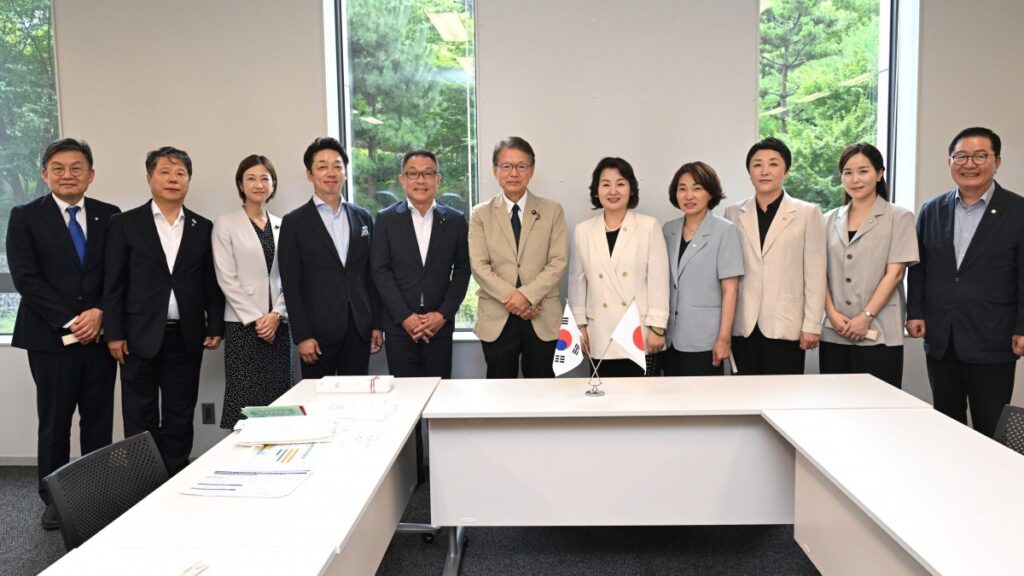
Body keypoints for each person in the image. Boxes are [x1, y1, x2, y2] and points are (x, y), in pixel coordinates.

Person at [6, 138, 120, 529]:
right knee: (54, 421)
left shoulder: (111, 215)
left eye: (76, 168)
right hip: (50, 338)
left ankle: (95, 492)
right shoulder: (25, 216)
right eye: (58, 167)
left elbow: (117, 273)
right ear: (44, 174)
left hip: (101, 336)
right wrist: (73, 320)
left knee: (98, 419)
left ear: (90, 174)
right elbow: (26, 279)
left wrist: (100, 313)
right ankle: (54, 499)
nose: (67, 174)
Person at [104, 146, 224, 475]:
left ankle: (173, 476)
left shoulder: (203, 226)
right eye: (165, 172)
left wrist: (215, 325)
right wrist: (113, 333)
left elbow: (210, 283)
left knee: (180, 413)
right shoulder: (124, 223)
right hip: (137, 337)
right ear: (149, 178)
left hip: (185, 337)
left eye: (180, 173)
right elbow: (113, 284)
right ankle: (143, 482)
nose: (173, 179)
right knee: (139, 415)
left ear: (188, 180)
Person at [907, 127, 1024, 437]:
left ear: (997, 161)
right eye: (960, 156)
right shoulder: (933, 210)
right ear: (950, 162)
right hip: (942, 337)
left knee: (990, 426)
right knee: (946, 424)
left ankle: (991, 485)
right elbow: (919, 268)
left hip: (994, 337)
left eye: (979, 156)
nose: (969, 164)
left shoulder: (1018, 211)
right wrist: (915, 312)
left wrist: (1022, 327)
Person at [278, 137, 382, 379]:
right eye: (322, 166)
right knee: (318, 405)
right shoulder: (294, 223)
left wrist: (377, 323)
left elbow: (370, 275)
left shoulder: (362, 217)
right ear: (310, 174)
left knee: (357, 401)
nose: (331, 173)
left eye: (337, 166)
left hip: (358, 327)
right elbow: (291, 285)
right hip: (317, 332)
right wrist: (302, 335)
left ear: (345, 171)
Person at [725, 137, 826, 375]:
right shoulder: (733, 212)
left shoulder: (807, 213)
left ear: (786, 171)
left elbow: (815, 273)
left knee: (784, 398)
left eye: (773, 164)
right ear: (749, 173)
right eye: (757, 164)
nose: (765, 171)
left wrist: (812, 325)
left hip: (785, 322)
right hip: (743, 323)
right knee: (743, 397)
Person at [821, 143, 918, 388]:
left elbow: (895, 274)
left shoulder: (899, 217)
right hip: (836, 331)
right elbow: (818, 273)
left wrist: (865, 317)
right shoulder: (828, 219)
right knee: (836, 408)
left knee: (877, 412)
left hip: (879, 331)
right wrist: (831, 314)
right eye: (848, 172)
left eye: (863, 171)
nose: (855, 179)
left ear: (879, 173)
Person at [469, 137, 567, 378]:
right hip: (497, 316)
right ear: (495, 170)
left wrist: (527, 297)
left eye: (521, 166)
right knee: (500, 392)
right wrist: (515, 299)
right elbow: (479, 266)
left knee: (543, 390)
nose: (514, 173)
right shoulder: (480, 214)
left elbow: (558, 261)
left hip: (541, 314)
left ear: (531, 170)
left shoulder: (552, 211)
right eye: (506, 166)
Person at [371, 150, 470, 378]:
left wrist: (443, 315)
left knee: (439, 398)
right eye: (413, 173)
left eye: (428, 173)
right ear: (402, 179)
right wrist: (405, 317)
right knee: (405, 401)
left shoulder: (455, 220)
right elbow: (380, 271)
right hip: (399, 326)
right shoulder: (386, 219)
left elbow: (463, 271)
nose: (421, 180)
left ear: (438, 178)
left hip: (439, 326)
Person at [212, 155, 293, 429]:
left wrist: (276, 315)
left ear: (273, 185)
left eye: (264, 178)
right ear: (240, 184)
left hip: (278, 326)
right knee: (245, 402)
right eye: (251, 178)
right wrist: (258, 318)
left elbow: (291, 277)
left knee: (279, 399)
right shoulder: (225, 223)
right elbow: (226, 277)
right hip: (243, 327)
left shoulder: (284, 224)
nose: (258, 184)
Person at [567, 157, 668, 377]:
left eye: (620, 183)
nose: (613, 190)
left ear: (631, 189)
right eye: (606, 184)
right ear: (596, 191)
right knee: (604, 402)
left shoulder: (648, 226)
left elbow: (659, 281)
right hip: (599, 331)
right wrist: (580, 326)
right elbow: (577, 282)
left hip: (638, 331)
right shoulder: (583, 231)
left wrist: (657, 328)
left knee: (640, 402)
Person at [662, 161, 744, 376]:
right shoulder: (668, 230)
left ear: (710, 193)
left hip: (705, 339)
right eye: (682, 188)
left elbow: (730, 290)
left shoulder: (725, 230)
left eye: (697, 188)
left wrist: (724, 339)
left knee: (704, 404)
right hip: (669, 337)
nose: (689, 195)